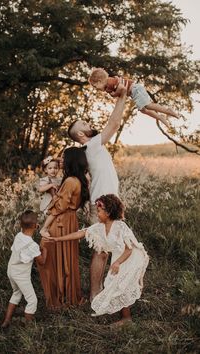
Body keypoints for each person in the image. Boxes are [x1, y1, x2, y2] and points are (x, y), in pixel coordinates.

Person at [43, 194, 149, 326]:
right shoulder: (99, 227)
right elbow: (81, 233)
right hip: (120, 257)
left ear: (108, 212)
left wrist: (117, 263)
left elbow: (129, 249)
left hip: (131, 257)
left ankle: (126, 318)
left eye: (99, 211)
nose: (97, 214)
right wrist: (57, 239)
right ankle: (125, 316)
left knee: (120, 284)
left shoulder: (120, 227)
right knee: (115, 283)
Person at [67, 86, 127, 301]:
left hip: (109, 202)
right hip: (103, 204)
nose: (88, 124)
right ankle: (95, 294)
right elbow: (114, 123)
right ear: (81, 135)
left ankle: (105, 290)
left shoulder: (91, 148)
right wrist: (122, 96)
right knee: (101, 251)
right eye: (84, 124)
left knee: (109, 250)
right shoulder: (91, 145)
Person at [37, 147, 90, 309]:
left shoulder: (69, 181)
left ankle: (59, 297)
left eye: (63, 157)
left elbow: (59, 206)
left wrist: (44, 225)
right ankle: (66, 294)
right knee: (65, 255)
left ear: (71, 161)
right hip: (70, 220)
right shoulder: (80, 179)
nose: (60, 160)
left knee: (51, 255)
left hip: (61, 220)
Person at [89, 67, 179, 128]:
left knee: (147, 106)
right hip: (134, 93)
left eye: (95, 86)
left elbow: (122, 88)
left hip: (136, 89)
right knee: (143, 109)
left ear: (99, 81)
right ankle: (160, 117)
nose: (96, 89)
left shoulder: (110, 82)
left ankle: (167, 110)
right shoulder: (107, 87)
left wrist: (114, 94)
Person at [1, 210, 46, 328]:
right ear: (35, 226)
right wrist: (44, 251)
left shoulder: (18, 236)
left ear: (21, 226)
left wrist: (32, 226)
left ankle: (6, 321)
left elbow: (26, 231)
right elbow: (42, 262)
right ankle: (29, 329)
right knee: (32, 300)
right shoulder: (32, 246)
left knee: (16, 293)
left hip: (11, 271)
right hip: (21, 276)